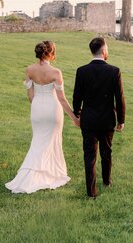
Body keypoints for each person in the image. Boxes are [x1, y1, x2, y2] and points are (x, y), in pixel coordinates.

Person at [5, 40, 80, 194]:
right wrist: (74, 117)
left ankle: (40, 173)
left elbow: (30, 95)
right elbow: (62, 99)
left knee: (38, 142)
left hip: (37, 109)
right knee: (50, 143)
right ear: (51, 54)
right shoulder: (56, 73)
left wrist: (38, 106)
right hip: (53, 110)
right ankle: (39, 175)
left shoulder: (29, 70)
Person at [73, 36, 125, 199]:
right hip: (107, 120)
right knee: (106, 152)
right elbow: (120, 98)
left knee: (89, 156)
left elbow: (77, 97)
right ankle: (107, 181)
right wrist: (121, 120)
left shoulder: (82, 71)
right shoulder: (114, 71)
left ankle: (91, 192)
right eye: (107, 49)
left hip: (88, 120)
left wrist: (77, 113)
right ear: (103, 51)